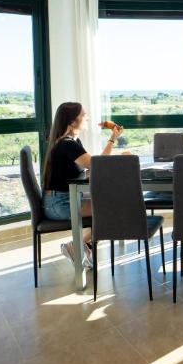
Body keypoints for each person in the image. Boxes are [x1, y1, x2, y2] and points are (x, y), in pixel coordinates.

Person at [41, 101, 124, 266]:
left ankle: (83, 246)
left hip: (62, 200)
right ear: (72, 122)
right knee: (110, 208)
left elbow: (88, 168)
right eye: (83, 115)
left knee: (109, 202)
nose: (87, 117)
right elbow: (97, 165)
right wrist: (113, 139)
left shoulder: (72, 141)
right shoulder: (67, 144)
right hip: (60, 204)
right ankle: (78, 246)